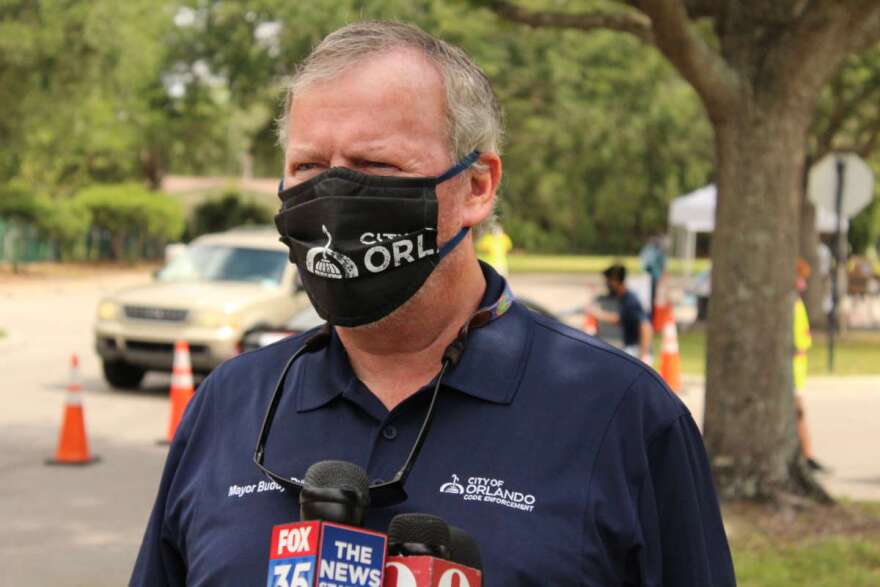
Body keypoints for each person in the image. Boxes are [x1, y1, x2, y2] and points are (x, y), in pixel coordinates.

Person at [132, 21, 734, 586]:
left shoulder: (620, 414)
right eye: (308, 166)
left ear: (477, 186)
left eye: (374, 165)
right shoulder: (231, 404)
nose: (333, 197)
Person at [794, 258, 826, 471]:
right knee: (797, 414)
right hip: (793, 371)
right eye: (800, 278)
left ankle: (806, 454)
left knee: (798, 414)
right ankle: (806, 454)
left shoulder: (796, 304)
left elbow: (803, 340)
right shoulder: (793, 305)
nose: (802, 283)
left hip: (796, 370)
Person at [590, 264, 654, 364]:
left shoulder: (630, 300)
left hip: (635, 350)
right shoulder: (621, 298)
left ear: (615, 281)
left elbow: (645, 326)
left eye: (608, 281)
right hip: (629, 348)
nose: (606, 284)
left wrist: (643, 355)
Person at [639, 235, 667, 319]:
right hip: (652, 276)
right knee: (650, 297)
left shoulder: (650, 250)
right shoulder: (655, 251)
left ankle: (651, 316)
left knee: (650, 297)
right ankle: (650, 316)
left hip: (651, 276)